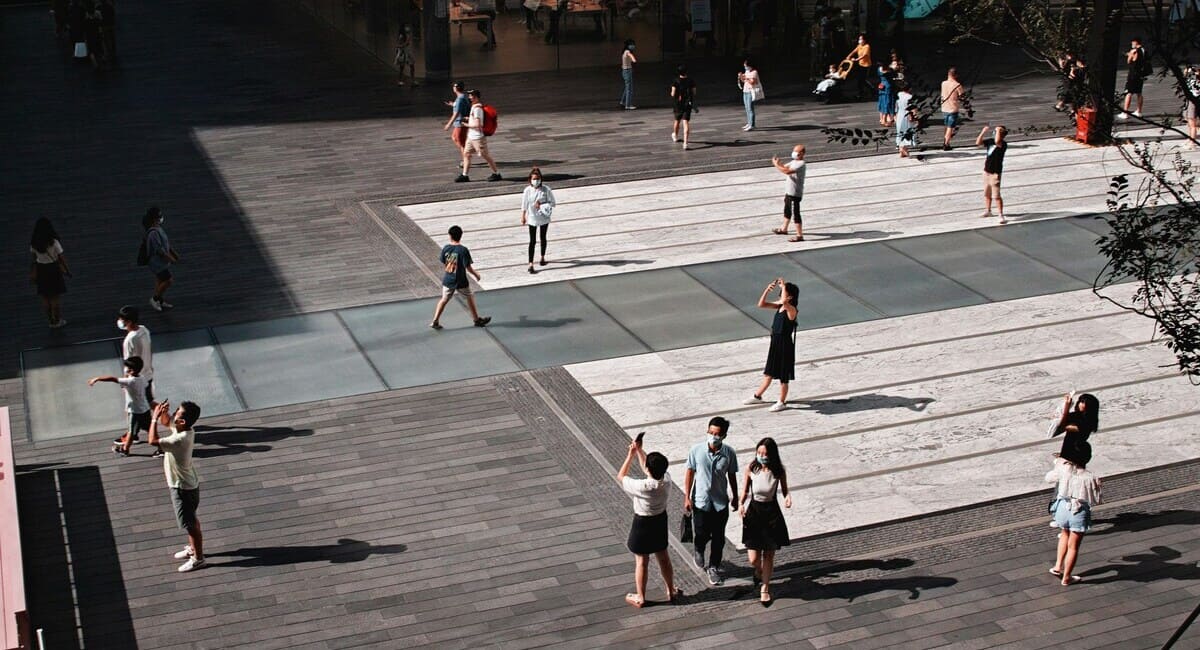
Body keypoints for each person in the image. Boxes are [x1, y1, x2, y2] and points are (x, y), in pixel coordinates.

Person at [617, 439, 679, 608]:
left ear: (649, 470)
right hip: (659, 521)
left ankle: (641, 597)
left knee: (642, 561)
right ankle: (671, 590)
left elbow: (621, 476)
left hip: (642, 523)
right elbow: (648, 467)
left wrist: (630, 455)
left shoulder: (643, 486)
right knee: (663, 557)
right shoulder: (666, 480)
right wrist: (640, 450)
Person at [148, 400, 206, 572]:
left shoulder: (179, 439)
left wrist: (153, 419)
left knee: (190, 524)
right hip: (189, 484)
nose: (173, 414)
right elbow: (167, 422)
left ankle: (198, 558)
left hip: (182, 488)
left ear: (181, 421)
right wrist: (163, 414)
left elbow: (152, 441)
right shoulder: (186, 429)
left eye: (176, 413)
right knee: (192, 519)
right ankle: (193, 549)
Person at [683, 416, 739, 585]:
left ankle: (713, 566)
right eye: (711, 432)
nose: (713, 436)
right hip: (700, 501)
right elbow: (690, 472)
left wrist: (735, 497)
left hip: (720, 503)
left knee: (719, 538)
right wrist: (687, 496)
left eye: (717, 434)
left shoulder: (729, 453)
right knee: (701, 532)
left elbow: (732, 475)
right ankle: (698, 549)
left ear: (724, 436)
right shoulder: (696, 450)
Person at [738, 437, 791, 604]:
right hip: (754, 512)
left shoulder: (778, 470)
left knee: (769, 553)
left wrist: (788, 498)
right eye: (759, 452)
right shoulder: (752, 468)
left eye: (765, 453)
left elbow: (785, 490)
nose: (761, 456)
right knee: (753, 558)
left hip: (771, 512)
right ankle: (758, 571)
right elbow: (745, 491)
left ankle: (765, 588)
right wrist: (741, 504)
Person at [1046, 438, 1101, 586]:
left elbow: (1049, 478)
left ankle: (1058, 566)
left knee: (1064, 534)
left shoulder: (1065, 470)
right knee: (1074, 546)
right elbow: (1096, 499)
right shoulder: (1090, 477)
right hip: (1078, 512)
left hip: (1062, 508)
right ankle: (1067, 577)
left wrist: (1059, 463)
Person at [745, 279, 799, 411]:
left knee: (783, 377)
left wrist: (784, 286)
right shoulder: (779, 307)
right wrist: (767, 290)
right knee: (768, 373)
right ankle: (758, 396)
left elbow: (785, 302)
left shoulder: (791, 310)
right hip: (775, 343)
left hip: (785, 346)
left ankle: (781, 401)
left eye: (782, 294)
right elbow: (761, 304)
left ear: (789, 296)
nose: (780, 296)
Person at [430, 225, 491, 329]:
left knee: (444, 299)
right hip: (460, 280)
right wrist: (476, 275)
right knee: (469, 296)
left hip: (448, 279)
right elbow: (468, 267)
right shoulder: (463, 250)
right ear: (461, 236)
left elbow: (444, 262)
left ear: (450, 236)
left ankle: (435, 320)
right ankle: (476, 320)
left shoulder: (446, 248)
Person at [88, 357, 151, 457]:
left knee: (130, 431)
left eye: (126, 367)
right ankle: (161, 447)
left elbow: (113, 379)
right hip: (145, 408)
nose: (124, 368)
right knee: (149, 429)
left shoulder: (130, 381)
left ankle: (125, 450)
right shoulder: (142, 378)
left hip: (135, 411)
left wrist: (97, 378)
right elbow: (142, 386)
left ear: (131, 370)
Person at [29, 217, 71, 328]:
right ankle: (57, 320)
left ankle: (50, 321)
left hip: (41, 270)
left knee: (45, 298)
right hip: (53, 269)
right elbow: (61, 258)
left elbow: (34, 258)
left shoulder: (34, 243)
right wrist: (67, 270)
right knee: (55, 297)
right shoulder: (53, 242)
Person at [456, 89, 502, 183]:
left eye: (471, 96)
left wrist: (466, 125)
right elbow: (475, 120)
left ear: (476, 97)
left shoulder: (477, 109)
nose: (469, 97)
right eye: (469, 95)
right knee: (466, 154)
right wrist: (468, 118)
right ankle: (465, 175)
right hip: (471, 137)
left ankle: (497, 174)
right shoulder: (474, 107)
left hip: (478, 138)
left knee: (485, 156)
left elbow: (478, 124)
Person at [142, 207, 179, 311]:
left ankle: (160, 301)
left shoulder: (158, 228)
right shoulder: (153, 233)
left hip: (161, 262)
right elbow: (160, 250)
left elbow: (165, 243)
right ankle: (155, 299)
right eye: (159, 217)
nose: (161, 218)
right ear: (154, 219)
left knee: (160, 281)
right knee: (168, 280)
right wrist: (171, 259)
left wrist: (173, 252)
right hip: (157, 263)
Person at [520, 167, 555, 273]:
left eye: (538, 178)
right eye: (534, 179)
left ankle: (542, 257)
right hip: (532, 217)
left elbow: (553, 203)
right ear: (530, 179)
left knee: (543, 238)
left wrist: (542, 204)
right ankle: (530, 263)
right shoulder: (527, 190)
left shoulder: (546, 190)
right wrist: (523, 215)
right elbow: (524, 204)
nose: (536, 181)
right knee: (532, 241)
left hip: (543, 217)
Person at [770, 145, 807, 241]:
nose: (794, 153)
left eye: (796, 151)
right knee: (787, 210)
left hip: (795, 193)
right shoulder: (794, 162)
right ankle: (784, 228)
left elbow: (787, 172)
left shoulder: (801, 164)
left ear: (802, 153)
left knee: (796, 213)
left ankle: (799, 235)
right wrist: (779, 163)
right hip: (789, 191)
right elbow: (784, 167)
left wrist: (776, 164)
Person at [975, 125, 1008, 224]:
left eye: (997, 131)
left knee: (996, 195)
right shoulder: (990, 141)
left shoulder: (1003, 144)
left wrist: (998, 130)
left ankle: (1000, 214)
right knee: (987, 193)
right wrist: (983, 132)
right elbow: (978, 143)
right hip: (987, 171)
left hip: (995, 173)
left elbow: (998, 141)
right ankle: (988, 210)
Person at [1118, 38, 1148, 120]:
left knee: (1129, 92)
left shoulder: (1134, 51)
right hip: (1140, 74)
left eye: (1132, 42)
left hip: (1133, 75)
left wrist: (1130, 55)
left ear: (1135, 42)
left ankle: (1125, 112)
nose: (1132, 44)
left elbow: (1129, 61)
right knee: (1139, 93)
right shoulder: (1143, 50)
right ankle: (1139, 111)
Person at [670, 65, 697, 149]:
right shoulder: (691, 80)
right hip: (687, 104)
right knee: (686, 122)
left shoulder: (676, 81)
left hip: (678, 104)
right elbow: (694, 92)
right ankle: (685, 143)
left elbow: (673, 94)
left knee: (677, 120)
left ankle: (675, 135)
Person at [443, 81, 471, 159]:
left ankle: (466, 158)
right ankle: (467, 152)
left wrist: (448, 124)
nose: (453, 88)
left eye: (454, 86)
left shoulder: (459, 99)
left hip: (461, 123)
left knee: (461, 143)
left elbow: (456, 114)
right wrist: (453, 104)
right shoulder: (463, 96)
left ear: (456, 88)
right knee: (454, 137)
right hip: (461, 122)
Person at [940, 67, 965, 151]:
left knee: (946, 125)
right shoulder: (957, 85)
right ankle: (946, 144)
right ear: (956, 75)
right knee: (950, 127)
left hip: (944, 107)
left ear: (948, 74)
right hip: (953, 108)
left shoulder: (943, 83)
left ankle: (946, 140)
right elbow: (962, 97)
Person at [845, 33, 872, 98]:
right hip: (860, 64)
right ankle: (863, 92)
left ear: (864, 40)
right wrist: (848, 56)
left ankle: (869, 90)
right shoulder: (859, 46)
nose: (859, 40)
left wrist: (857, 59)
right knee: (861, 79)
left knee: (862, 79)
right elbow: (854, 51)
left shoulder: (867, 46)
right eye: (859, 39)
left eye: (861, 39)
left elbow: (865, 55)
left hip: (866, 65)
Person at [738, 60, 761, 131]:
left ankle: (752, 125)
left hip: (751, 91)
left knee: (750, 108)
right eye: (744, 66)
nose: (745, 67)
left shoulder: (754, 72)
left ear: (750, 66)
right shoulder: (747, 72)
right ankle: (749, 123)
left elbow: (753, 82)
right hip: (745, 91)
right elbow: (743, 81)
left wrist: (745, 78)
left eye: (746, 66)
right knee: (747, 108)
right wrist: (741, 76)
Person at [895, 82, 917, 158]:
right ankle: (904, 149)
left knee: (900, 131)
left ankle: (901, 150)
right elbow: (913, 108)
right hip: (907, 115)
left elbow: (896, 105)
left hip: (900, 114)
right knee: (907, 131)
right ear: (909, 88)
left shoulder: (898, 94)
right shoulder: (910, 97)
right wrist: (915, 117)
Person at [619, 40, 637, 110]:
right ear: (628, 45)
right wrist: (634, 59)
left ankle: (622, 101)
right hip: (627, 71)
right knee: (629, 89)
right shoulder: (627, 51)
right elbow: (630, 55)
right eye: (632, 45)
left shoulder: (624, 51)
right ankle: (628, 105)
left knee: (627, 88)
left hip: (625, 71)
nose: (633, 46)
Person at [1185, 66, 1200, 146]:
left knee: (1192, 124)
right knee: (1191, 124)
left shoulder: (1192, 82)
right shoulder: (1194, 81)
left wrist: (1188, 72)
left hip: (1193, 103)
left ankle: (1192, 142)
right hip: (1194, 102)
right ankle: (1190, 139)